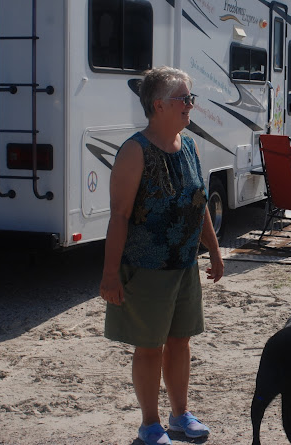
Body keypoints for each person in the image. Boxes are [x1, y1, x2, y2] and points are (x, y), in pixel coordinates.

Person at [100, 66, 224, 445]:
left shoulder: (190, 146)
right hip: (147, 268)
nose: (190, 105)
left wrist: (214, 251)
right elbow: (119, 216)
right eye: (183, 98)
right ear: (158, 105)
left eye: (190, 98)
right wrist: (110, 275)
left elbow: (198, 204)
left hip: (184, 266)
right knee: (150, 347)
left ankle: (180, 415)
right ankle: (150, 425)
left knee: (181, 342)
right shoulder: (135, 151)